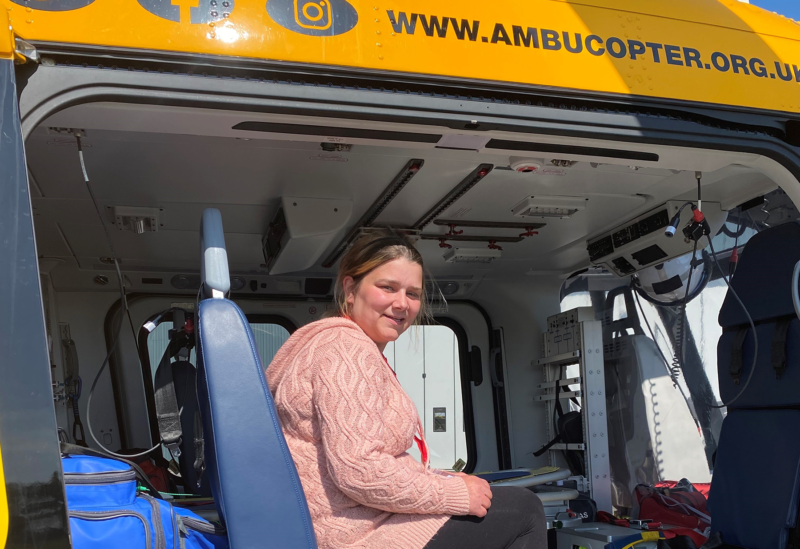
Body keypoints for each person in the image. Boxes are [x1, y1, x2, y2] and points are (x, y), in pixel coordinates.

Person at [267, 229, 546, 549]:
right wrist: (453, 494)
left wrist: (445, 479)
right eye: (387, 288)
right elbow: (360, 471)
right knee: (524, 509)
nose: (401, 304)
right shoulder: (346, 349)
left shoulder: (344, 346)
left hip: (366, 521)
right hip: (352, 536)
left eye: (412, 294)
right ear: (350, 289)